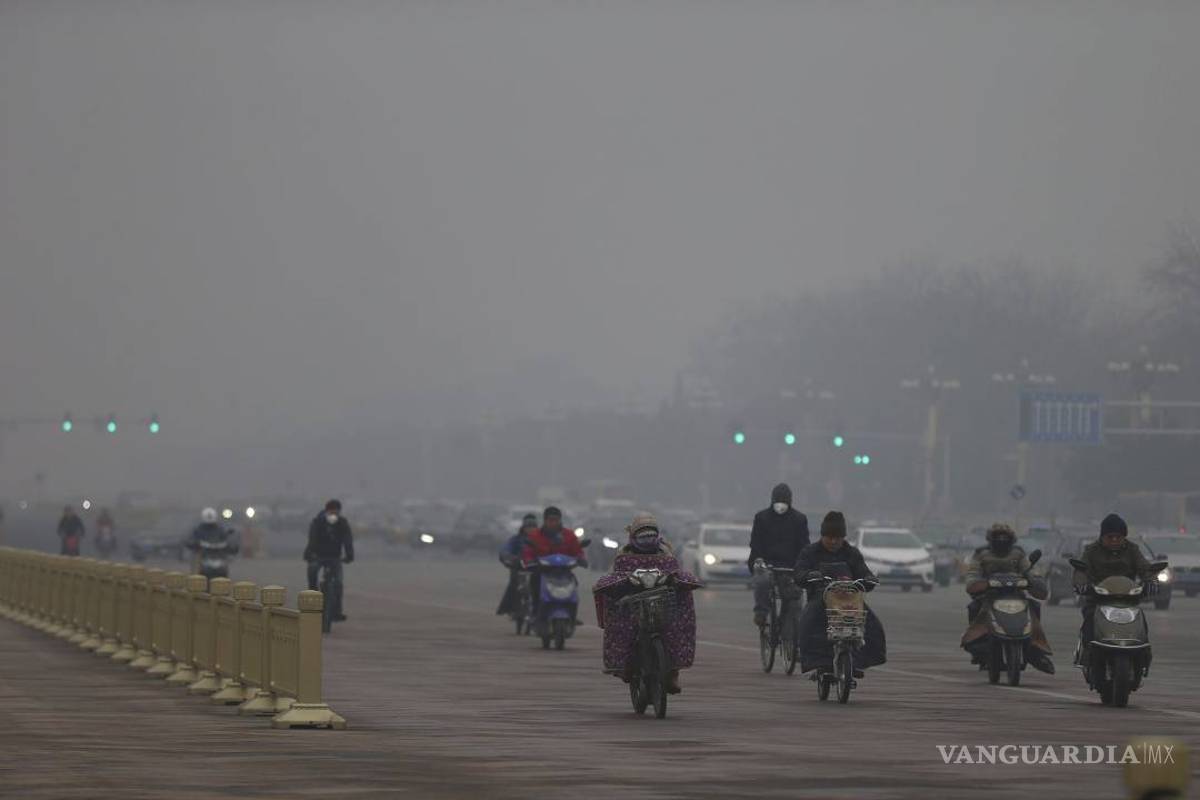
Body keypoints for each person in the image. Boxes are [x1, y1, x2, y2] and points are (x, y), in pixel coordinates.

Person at [592, 514, 702, 694]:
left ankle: (673, 672)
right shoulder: (624, 553)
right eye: (643, 535)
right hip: (633, 603)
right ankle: (625, 665)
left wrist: (674, 579)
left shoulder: (665, 552)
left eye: (651, 535)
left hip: (661, 601)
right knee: (623, 626)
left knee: (676, 625)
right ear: (633, 536)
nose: (648, 539)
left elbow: (677, 572)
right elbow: (613, 577)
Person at [793, 511, 886, 677]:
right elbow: (799, 573)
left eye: (838, 537)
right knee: (807, 623)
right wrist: (808, 576)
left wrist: (868, 579)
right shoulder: (810, 552)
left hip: (850, 600)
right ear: (823, 535)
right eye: (830, 537)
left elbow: (863, 572)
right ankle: (816, 661)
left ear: (843, 537)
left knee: (873, 626)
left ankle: (857, 662)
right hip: (821, 599)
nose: (834, 541)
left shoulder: (852, 553)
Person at [960, 523, 1054, 674]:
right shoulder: (981, 554)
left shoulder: (1019, 554)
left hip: (1017, 596)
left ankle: (1035, 647)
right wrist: (978, 584)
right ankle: (978, 647)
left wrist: (1035, 582)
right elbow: (973, 575)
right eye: (998, 537)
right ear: (991, 539)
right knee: (974, 608)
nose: (1002, 540)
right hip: (989, 597)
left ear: (1012, 539)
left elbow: (1030, 571)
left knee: (1035, 606)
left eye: (1005, 537)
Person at [1072, 513, 1157, 662]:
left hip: (1128, 600)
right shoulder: (1091, 551)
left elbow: (1145, 568)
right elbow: (1081, 570)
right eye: (1110, 537)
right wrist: (1082, 585)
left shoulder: (1133, 550)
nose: (1114, 540)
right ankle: (1087, 656)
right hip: (1098, 600)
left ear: (1124, 537)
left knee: (1141, 623)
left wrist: (1151, 582)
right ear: (1102, 537)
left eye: (1118, 536)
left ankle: (1144, 655)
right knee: (1089, 624)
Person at [748, 483, 810, 628]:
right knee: (762, 581)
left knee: (794, 596)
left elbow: (804, 546)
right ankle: (761, 613)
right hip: (767, 565)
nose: (781, 505)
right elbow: (755, 544)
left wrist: (803, 566)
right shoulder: (762, 518)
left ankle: (789, 630)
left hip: (791, 567)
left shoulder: (799, 519)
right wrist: (757, 561)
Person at [522, 506, 587, 616]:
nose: (553, 523)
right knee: (535, 582)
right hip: (542, 571)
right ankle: (535, 612)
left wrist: (581, 558)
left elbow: (577, 550)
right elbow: (528, 552)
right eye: (550, 520)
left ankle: (572, 613)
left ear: (560, 520)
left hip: (564, 571)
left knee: (574, 584)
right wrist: (529, 560)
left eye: (556, 520)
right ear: (545, 520)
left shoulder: (569, 535)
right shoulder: (535, 536)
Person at [304, 499, 355, 622]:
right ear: (327, 511)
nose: (333, 514)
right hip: (319, 557)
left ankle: (337, 611)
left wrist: (349, 555)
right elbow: (312, 540)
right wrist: (309, 554)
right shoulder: (318, 522)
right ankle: (313, 598)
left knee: (338, 583)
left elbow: (347, 541)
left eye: (336, 512)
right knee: (312, 571)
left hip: (335, 558)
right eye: (331, 511)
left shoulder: (342, 523)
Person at [496, 513, 538, 616]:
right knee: (514, 584)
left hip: (537, 568)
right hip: (520, 568)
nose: (530, 529)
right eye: (528, 526)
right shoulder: (516, 540)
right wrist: (508, 557)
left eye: (533, 526)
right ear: (523, 527)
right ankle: (509, 608)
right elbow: (506, 549)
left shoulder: (541, 540)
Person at [186, 507, 240, 578]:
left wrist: (232, 546)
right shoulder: (198, 530)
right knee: (195, 568)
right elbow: (190, 540)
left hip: (219, 556)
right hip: (203, 556)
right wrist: (195, 543)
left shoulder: (220, 529)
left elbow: (227, 539)